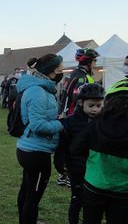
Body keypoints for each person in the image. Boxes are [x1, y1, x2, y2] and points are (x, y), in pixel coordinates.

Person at [70, 78, 128, 224]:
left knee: (90, 220)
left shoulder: (97, 123)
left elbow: (76, 148)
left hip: (94, 185)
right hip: (123, 190)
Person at [16, 54, 64, 224]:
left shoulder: (41, 88)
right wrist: (61, 124)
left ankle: (25, 219)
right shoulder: (37, 91)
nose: (62, 71)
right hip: (36, 152)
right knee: (33, 196)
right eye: (60, 68)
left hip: (31, 148)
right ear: (51, 71)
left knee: (27, 191)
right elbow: (38, 126)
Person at [54, 83, 104, 224]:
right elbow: (62, 145)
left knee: (92, 202)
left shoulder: (103, 122)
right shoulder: (70, 122)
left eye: (99, 106)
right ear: (81, 103)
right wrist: (59, 162)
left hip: (97, 169)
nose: (95, 110)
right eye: (91, 105)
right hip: (76, 167)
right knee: (77, 199)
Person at [60, 48, 99, 116]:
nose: (96, 64)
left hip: (65, 111)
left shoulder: (73, 73)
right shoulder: (82, 77)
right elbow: (77, 98)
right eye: (95, 60)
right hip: (74, 115)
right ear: (88, 62)